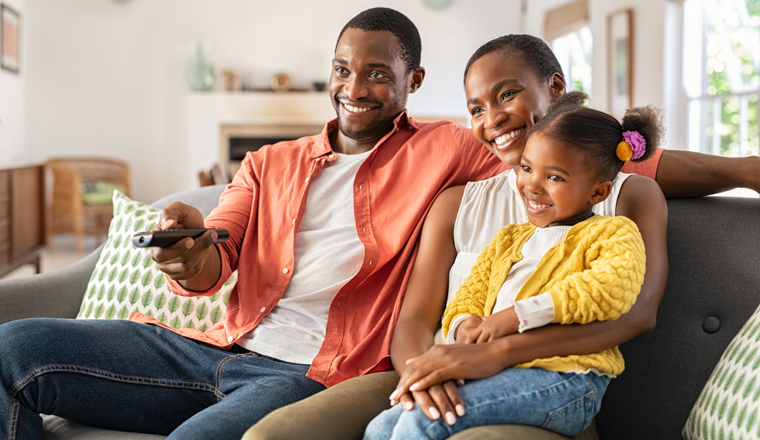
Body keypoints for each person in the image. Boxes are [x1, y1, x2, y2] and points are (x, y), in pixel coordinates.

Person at [364, 90, 661, 439]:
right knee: (382, 426)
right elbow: (469, 295)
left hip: (567, 381)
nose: (531, 185)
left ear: (598, 193)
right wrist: (464, 325)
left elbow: (609, 290)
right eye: (526, 168)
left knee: (423, 422)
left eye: (554, 177)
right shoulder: (509, 239)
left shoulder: (612, 233)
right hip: (498, 370)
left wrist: (515, 316)